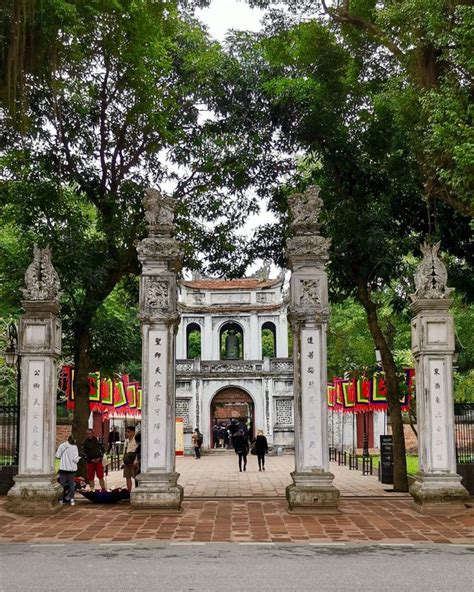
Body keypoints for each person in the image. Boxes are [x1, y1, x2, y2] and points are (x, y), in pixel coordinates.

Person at [56, 435, 80, 505]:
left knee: (61, 485)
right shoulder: (75, 447)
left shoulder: (62, 446)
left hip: (62, 468)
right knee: (71, 484)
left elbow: (57, 456)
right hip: (71, 469)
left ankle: (60, 500)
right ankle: (72, 499)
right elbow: (75, 460)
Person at [123, 425, 138, 491]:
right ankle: (129, 492)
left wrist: (136, 460)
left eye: (129, 432)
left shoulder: (136, 440)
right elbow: (124, 452)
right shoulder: (126, 441)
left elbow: (138, 451)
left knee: (136, 477)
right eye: (126, 432)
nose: (127, 433)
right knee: (127, 477)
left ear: (133, 432)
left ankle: (137, 490)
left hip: (134, 461)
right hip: (127, 461)